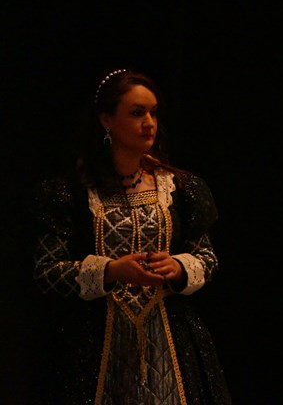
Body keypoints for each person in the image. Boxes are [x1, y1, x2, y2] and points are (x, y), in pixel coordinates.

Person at [32, 69, 232, 404]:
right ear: (107, 120)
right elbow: (46, 271)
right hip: (94, 344)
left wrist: (179, 267)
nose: (149, 123)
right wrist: (111, 270)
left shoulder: (181, 188)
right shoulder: (69, 192)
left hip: (169, 337)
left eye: (153, 113)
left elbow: (208, 258)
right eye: (137, 113)